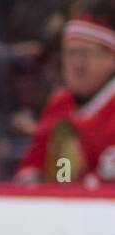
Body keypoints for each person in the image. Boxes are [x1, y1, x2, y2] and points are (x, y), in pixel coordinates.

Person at [16, 2, 115, 186]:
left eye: (86, 54)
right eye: (71, 54)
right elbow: (32, 167)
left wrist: (83, 181)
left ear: (111, 58)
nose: (77, 64)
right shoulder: (59, 104)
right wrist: (50, 179)